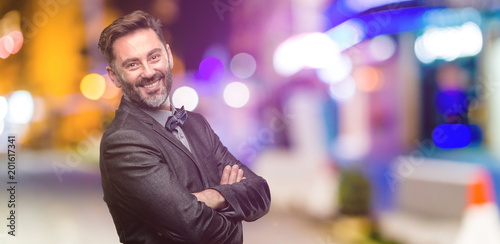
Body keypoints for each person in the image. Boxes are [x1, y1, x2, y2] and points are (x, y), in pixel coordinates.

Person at [98, 10, 271, 244]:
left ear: (168, 56)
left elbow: (260, 192)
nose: (148, 72)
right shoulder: (122, 141)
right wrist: (232, 206)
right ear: (114, 76)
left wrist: (211, 197)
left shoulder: (196, 124)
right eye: (132, 64)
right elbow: (197, 231)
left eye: (154, 57)